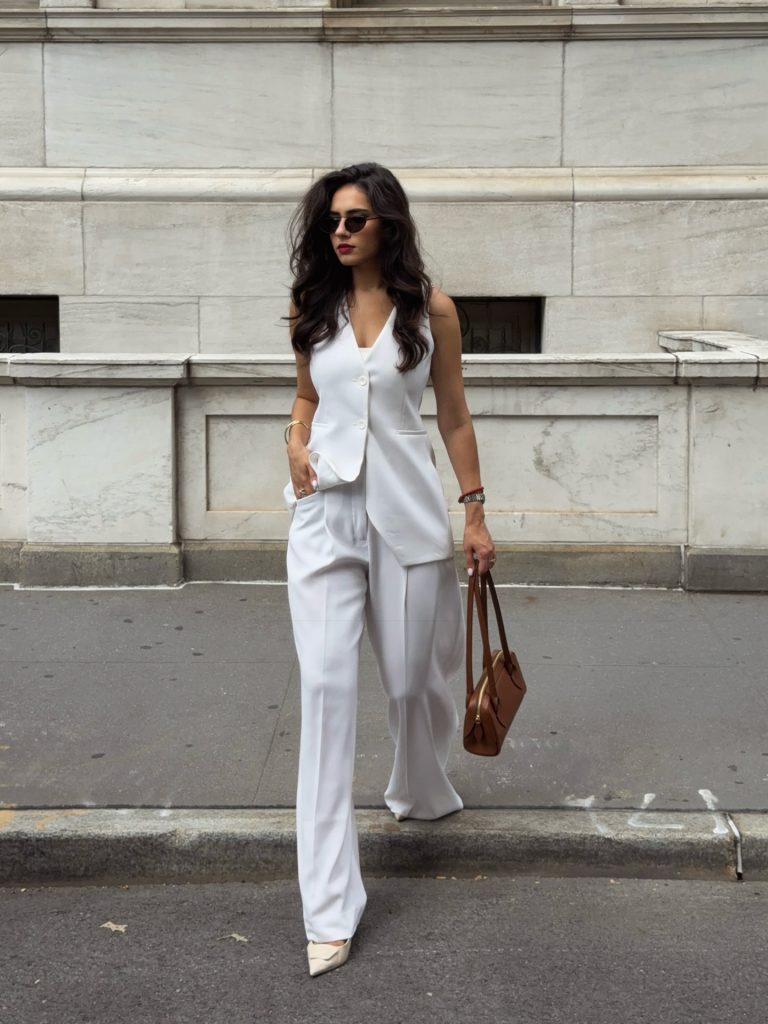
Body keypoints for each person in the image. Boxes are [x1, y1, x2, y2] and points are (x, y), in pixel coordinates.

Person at [283, 162, 495, 977]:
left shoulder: (431, 310)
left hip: (407, 520)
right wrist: (296, 444)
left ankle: (420, 786)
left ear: (389, 227)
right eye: (334, 218)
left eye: (358, 219)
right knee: (328, 697)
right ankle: (329, 907)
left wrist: (474, 513)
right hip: (326, 520)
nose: (342, 231)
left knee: (412, 681)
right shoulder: (313, 307)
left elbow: (454, 414)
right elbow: (306, 398)